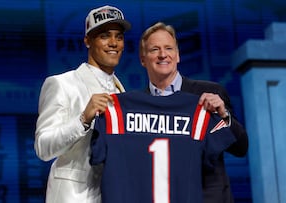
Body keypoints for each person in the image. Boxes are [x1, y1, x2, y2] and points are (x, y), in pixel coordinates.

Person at [138, 22, 248, 203]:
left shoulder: (211, 93)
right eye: (154, 49)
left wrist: (224, 115)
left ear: (178, 55)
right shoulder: (137, 106)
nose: (163, 54)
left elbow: (241, 148)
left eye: (169, 48)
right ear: (143, 59)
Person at [34, 5, 131, 203]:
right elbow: (43, 148)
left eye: (119, 37)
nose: (113, 43)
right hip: (74, 196)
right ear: (88, 41)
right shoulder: (62, 84)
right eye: (105, 36)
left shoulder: (123, 93)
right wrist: (83, 120)